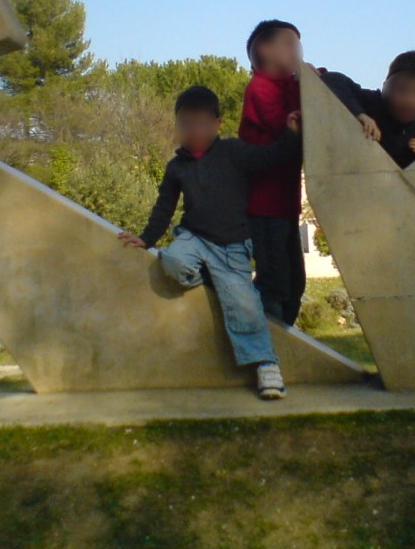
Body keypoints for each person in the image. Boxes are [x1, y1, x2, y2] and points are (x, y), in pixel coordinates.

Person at [118, 85, 301, 400]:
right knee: (171, 261)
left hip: (231, 247)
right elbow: (164, 208)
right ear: (177, 125)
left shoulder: (233, 151)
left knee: (245, 307)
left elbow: (270, 157)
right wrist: (146, 239)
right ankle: (210, 276)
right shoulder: (176, 167)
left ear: (217, 123)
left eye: (202, 123)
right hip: (193, 238)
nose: (194, 131)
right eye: (185, 124)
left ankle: (266, 365)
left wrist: (290, 134)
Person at [238, 19, 306, 325]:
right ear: (264, 49)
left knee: (295, 283)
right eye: (290, 43)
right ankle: (265, 342)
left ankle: (284, 339)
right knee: (274, 282)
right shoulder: (260, 88)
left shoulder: (291, 84)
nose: (298, 51)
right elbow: (286, 121)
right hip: (264, 210)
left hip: (286, 207)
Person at [322, 50, 415, 169]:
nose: (410, 101)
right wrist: (360, 114)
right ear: (386, 87)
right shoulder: (373, 103)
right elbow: (332, 79)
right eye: (401, 90)